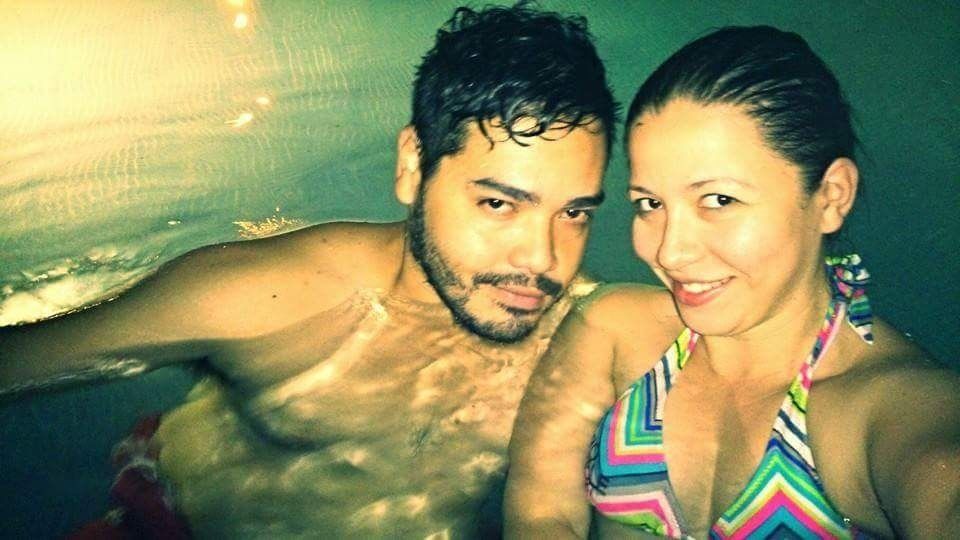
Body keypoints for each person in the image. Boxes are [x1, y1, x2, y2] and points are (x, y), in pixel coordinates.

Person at [0, 4, 617, 537]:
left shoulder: (596, 333)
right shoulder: (265, 297)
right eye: (499, 204)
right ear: (413, 164)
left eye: (574, 213)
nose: (543, 259)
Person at [504, 25, 959, 539]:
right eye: (650, 204)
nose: (670, 251)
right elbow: (542, 514)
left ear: (831, 196)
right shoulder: (610, 332)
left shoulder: (891, 410)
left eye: (719, 200)